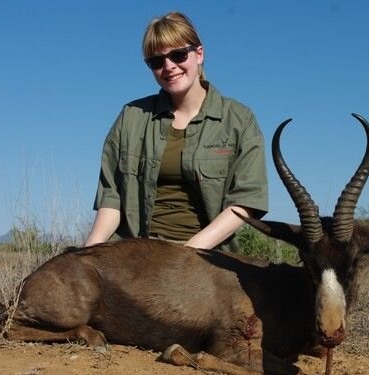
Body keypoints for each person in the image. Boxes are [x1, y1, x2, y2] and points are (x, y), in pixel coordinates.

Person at [85, 12, 268, 251]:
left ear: (199, 54)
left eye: (178, 55)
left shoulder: (239, 119)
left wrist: (187, 251)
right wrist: (89, 250)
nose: (169, 67)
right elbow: (111, 197)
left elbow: (245, 201)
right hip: (136, 252)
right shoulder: (131, 116)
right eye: (156, 62)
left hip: (205, 256)